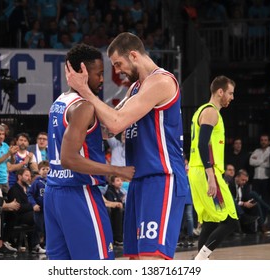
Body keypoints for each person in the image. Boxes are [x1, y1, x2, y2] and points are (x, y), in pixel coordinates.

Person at [66, 33, 188, 260]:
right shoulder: (135, 88)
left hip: (161, 178)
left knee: (152, 261)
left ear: (133, 55)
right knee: (135, 259)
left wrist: (85, 91)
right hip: (139, 180)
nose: (118, 71)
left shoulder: (161, 81)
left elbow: (115, 121)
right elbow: (108, 128)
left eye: (119, 64)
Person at [45, 43, 135, 260]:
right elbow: (69, 158)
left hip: (54, 193)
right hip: (79, 192)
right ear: (83, 72)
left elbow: (99, 132)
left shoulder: (60, 102)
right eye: (100, 74)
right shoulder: (84, 106)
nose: (102, 79)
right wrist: (116, 170)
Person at [188, 75, 239, 260]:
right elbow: (203, 145)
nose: (232, 97)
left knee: (210, 221)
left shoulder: (200, 111)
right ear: (220, 92)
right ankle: (200, 260)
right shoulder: (211, 112)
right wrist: (211, 175)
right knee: (231, 221)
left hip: (197, 170)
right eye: (230, 93)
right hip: (206, 170)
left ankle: (202, 262)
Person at [6, 168, 45, 254]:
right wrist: (33, 205)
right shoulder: (14, 190)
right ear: (19, 176)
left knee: (42, 215)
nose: (29, 178)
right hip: (17, 217)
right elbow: (18, 207)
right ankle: (35, 245)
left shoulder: (29, 188)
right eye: (26, 175)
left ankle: (41, 243)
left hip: (29, 214)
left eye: (30, 176)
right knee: (37, 216)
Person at [27, 160, 49, 249]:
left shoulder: (53, 182)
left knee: (48, 228)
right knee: (38, 227)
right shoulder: (37, 182)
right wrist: (34, 204)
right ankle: (35, 245)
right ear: (39, 171)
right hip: (39, 209)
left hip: (49, 210)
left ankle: (48, 245)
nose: (45, 171)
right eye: (43, 169)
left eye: (47, 169)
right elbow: (30, 194)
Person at [249, 134, 270, 207]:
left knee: (265, 200)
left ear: (269, 142)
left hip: (266, 179)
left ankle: (265, 218)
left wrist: (257, 161)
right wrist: (263, 160)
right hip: (256, 179)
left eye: (265, 140)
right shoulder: (256, 151)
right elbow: (251, 162)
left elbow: (269, 164)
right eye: (262, 140)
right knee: (254, 200)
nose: (263, 142)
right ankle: (256, 217)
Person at [104, 175, 126, 246]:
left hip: (121, 213)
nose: (120, 182)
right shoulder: (109, 192)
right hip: (114, 214)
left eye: (121, 180)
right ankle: (117, 239)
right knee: (118, 211)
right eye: (118, 180)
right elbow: (109, 204)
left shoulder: (122, 192)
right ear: (112, 183)